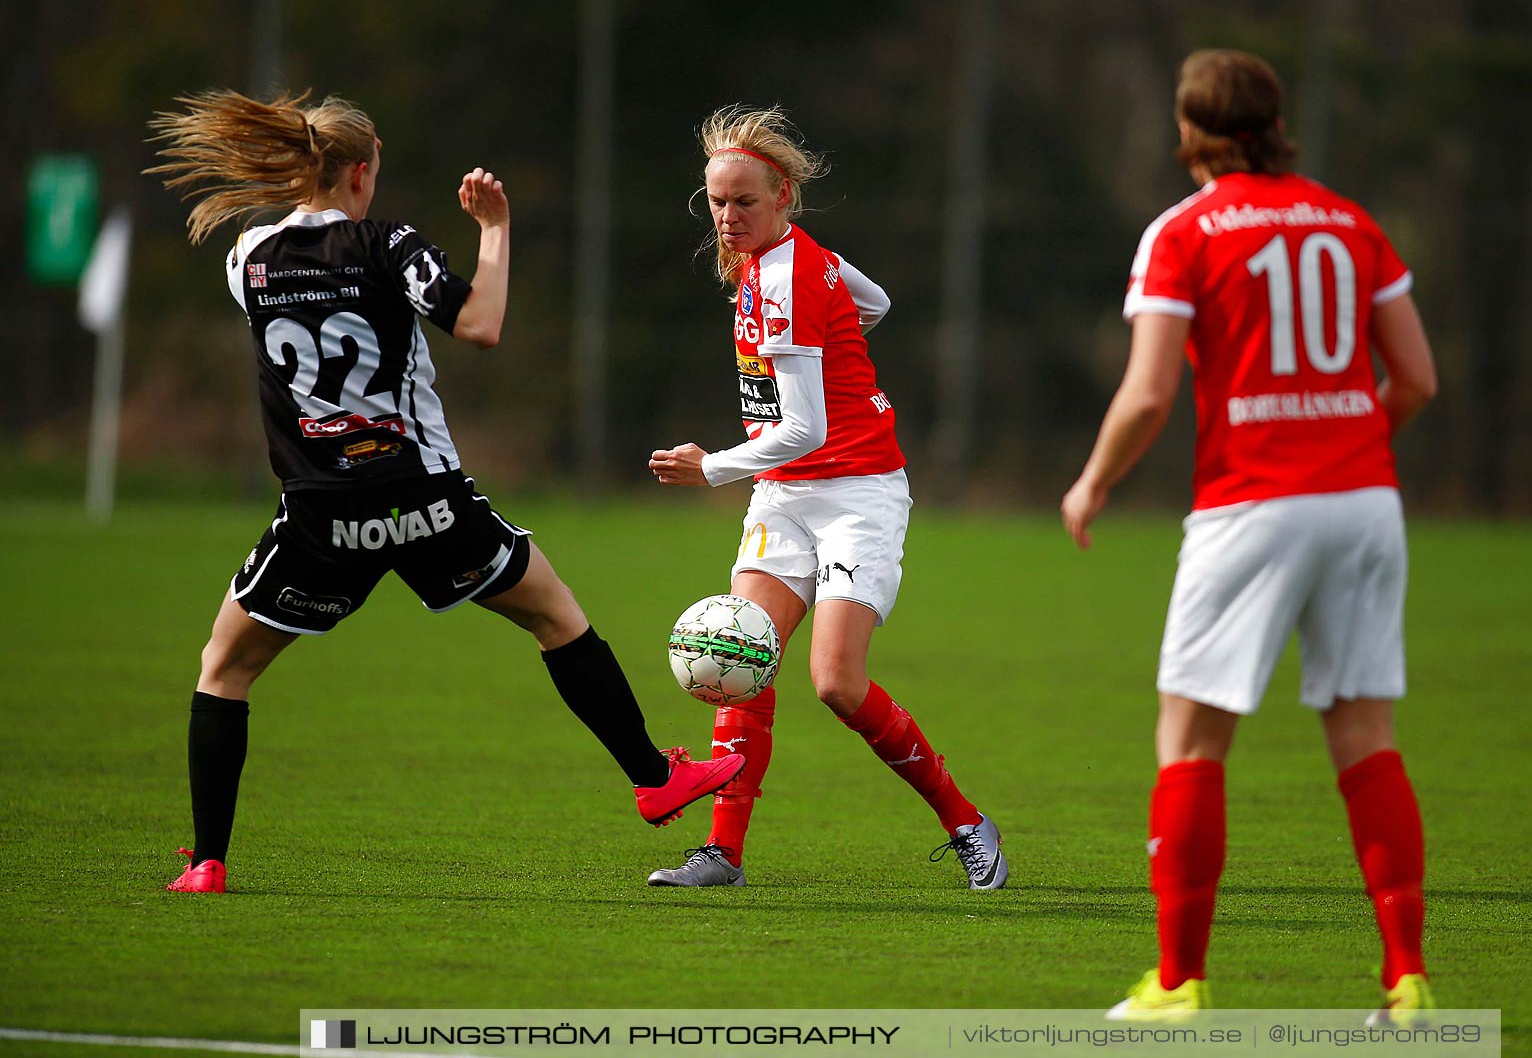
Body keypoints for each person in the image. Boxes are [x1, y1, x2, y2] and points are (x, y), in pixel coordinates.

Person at [145, 89, 744, 894]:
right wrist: (494, 230)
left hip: (322, 513)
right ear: (361, 170)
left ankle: (209, 861)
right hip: (422, 498)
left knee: (224, 671)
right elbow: (480, 323)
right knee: (554, 614)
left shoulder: (247, 256)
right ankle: (651, 776)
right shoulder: (387, 242)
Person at [1061, 51, 1439, 1021]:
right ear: (1277, 126)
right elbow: (1417, 380)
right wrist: (1343, 439)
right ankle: (1407, 982)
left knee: (1191, 741)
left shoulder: (1182, 233)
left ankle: (1179, 985)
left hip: (1252, 505)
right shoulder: (1351, 221)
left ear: (1189, 135)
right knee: (1364, 738)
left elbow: (1149, 394)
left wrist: (1094, 483)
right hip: (1365, 502)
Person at [644, 105, 1006, 890]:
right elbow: (870, 303)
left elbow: (804, 430)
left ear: (783, 198)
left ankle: (968, 822)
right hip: (786, 495)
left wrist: (712, 468)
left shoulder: (785, 278)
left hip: (856, 495)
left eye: (745, 202)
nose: (728, 217)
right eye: (716, 201)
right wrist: (837, 340)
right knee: (743, 655)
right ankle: (722, 853)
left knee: (836, 683)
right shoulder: (793, 262)